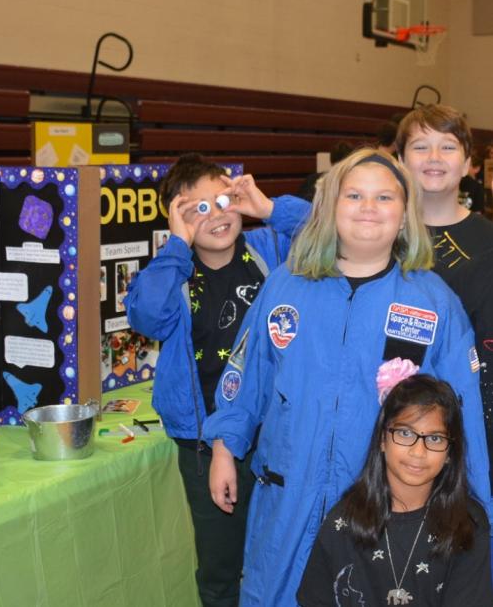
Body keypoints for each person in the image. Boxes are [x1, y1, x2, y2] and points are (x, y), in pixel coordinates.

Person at [204, 147, 490, 606]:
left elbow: (464, 418)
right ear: (330, 208)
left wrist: (478, 519)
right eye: (354, 195)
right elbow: (248, 371)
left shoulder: (433, 303)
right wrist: (225, 445)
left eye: (384, 197)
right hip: (286, 497)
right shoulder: (286, 285)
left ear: (405, 215)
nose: (368, 208)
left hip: (379, 509)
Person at [124, 153, 308, 607]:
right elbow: (146, 314)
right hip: (205, 442)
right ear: (178, 220)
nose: (217, 213)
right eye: (197, 209)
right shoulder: (175, 274)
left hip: (275, 434)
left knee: (284, 556)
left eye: (224, 199)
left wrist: (267, 208)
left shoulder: (270, 251)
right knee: (221, 566)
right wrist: (176, 246)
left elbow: (331, 232)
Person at [298, 374, 493, 606]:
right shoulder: (342, 521)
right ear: (382, 438)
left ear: (450, 452)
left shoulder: (468, 524)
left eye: (434, 438)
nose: (418, 452)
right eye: (405, 433)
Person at [396, 105, 493, 490]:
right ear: (400, 159)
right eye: (421, 147)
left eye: (448, 147)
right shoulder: (380, 234)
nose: (434, 158)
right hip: (391, 423)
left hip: (471, 424)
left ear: (469, 163)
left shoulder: (488, 241)